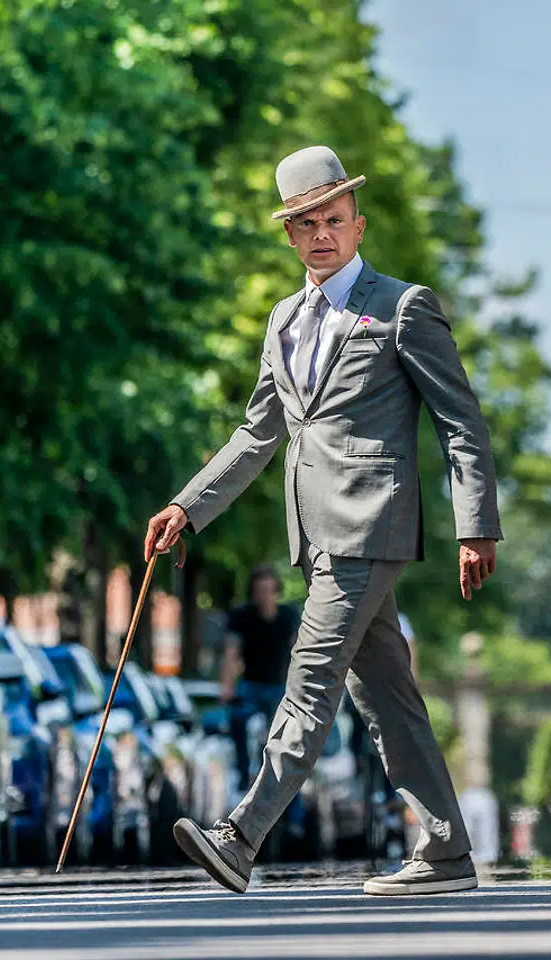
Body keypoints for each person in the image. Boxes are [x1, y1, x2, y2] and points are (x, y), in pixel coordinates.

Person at [145, 144, 501, 897]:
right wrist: (187, 505)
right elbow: (257, 434)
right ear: (289, 234)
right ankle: (443, 850)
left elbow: (459, 422)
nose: (320, 234)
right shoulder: (282, 321)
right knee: (386, 696)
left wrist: (477, 524)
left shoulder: (402, 307)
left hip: (372, 524)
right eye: (305, 223)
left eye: (333, 219)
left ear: (358, 224)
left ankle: (241, 837)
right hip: (313, 536)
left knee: (310, 680)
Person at [221, 564, 300, 781]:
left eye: (268, 590)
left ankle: (291, 802)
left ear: (276, 591)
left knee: (287, 738)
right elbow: (231, 654)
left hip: (280, 688)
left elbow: (298, 652)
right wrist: (226, 688)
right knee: (237, 719)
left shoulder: (289, 616)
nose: (264, 596)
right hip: (251, 686)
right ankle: (243, 772)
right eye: (259, 591)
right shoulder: (241, 617)